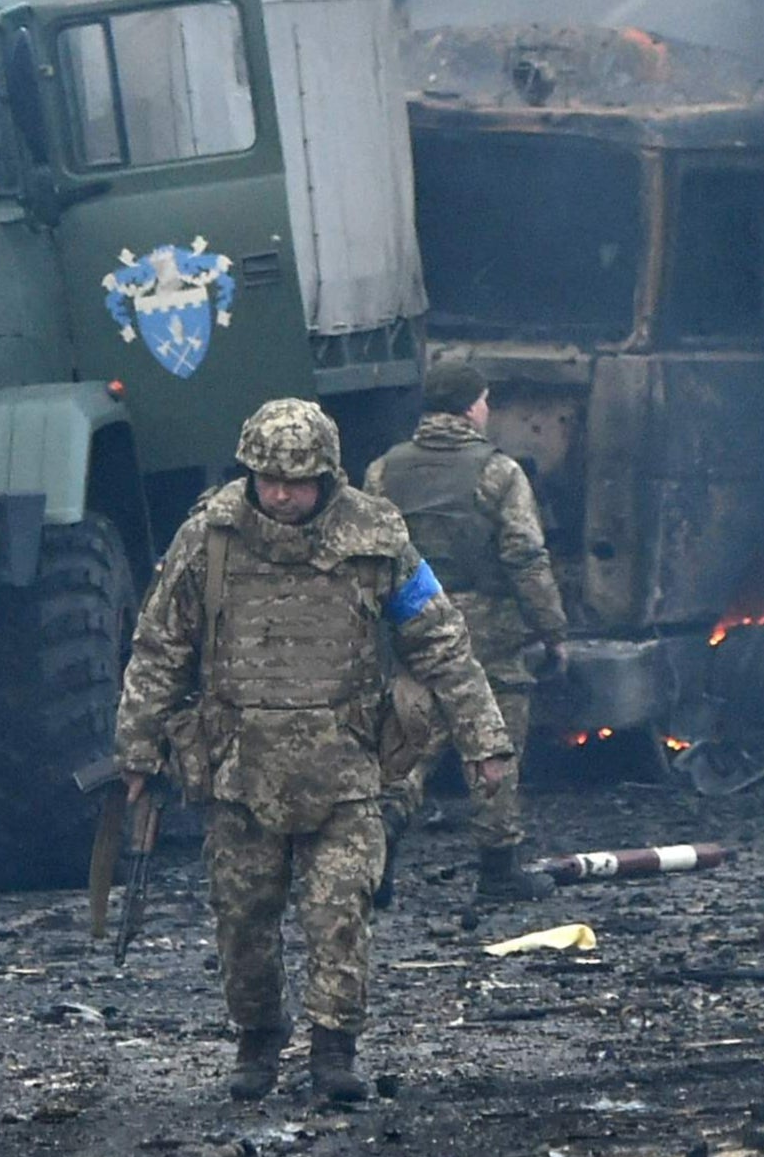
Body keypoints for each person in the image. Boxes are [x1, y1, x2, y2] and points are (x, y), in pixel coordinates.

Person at [114, 397, 512, 1104]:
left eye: (297, 481)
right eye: (268, 478)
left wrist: (484, 739)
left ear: (328, 477)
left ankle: (334, 1049)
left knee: (339, 912)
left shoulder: (376, 536)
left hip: (346, 764)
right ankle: (257, 1043)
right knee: (243, 918)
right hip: (241, 764)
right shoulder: (209, 536)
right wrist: (139, 751)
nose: (281, 494)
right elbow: (160, 648)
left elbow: (441, 641)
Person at [365, 357, 569, 901]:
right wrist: (553, 631)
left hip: (410, 624)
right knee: (493, 742)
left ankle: (377, 854)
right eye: (483, 400)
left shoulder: (384, 470)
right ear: (472, 406)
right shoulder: (499, 473)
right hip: (488, 632)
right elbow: (525, 558)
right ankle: (499, 870)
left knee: (413, 742)